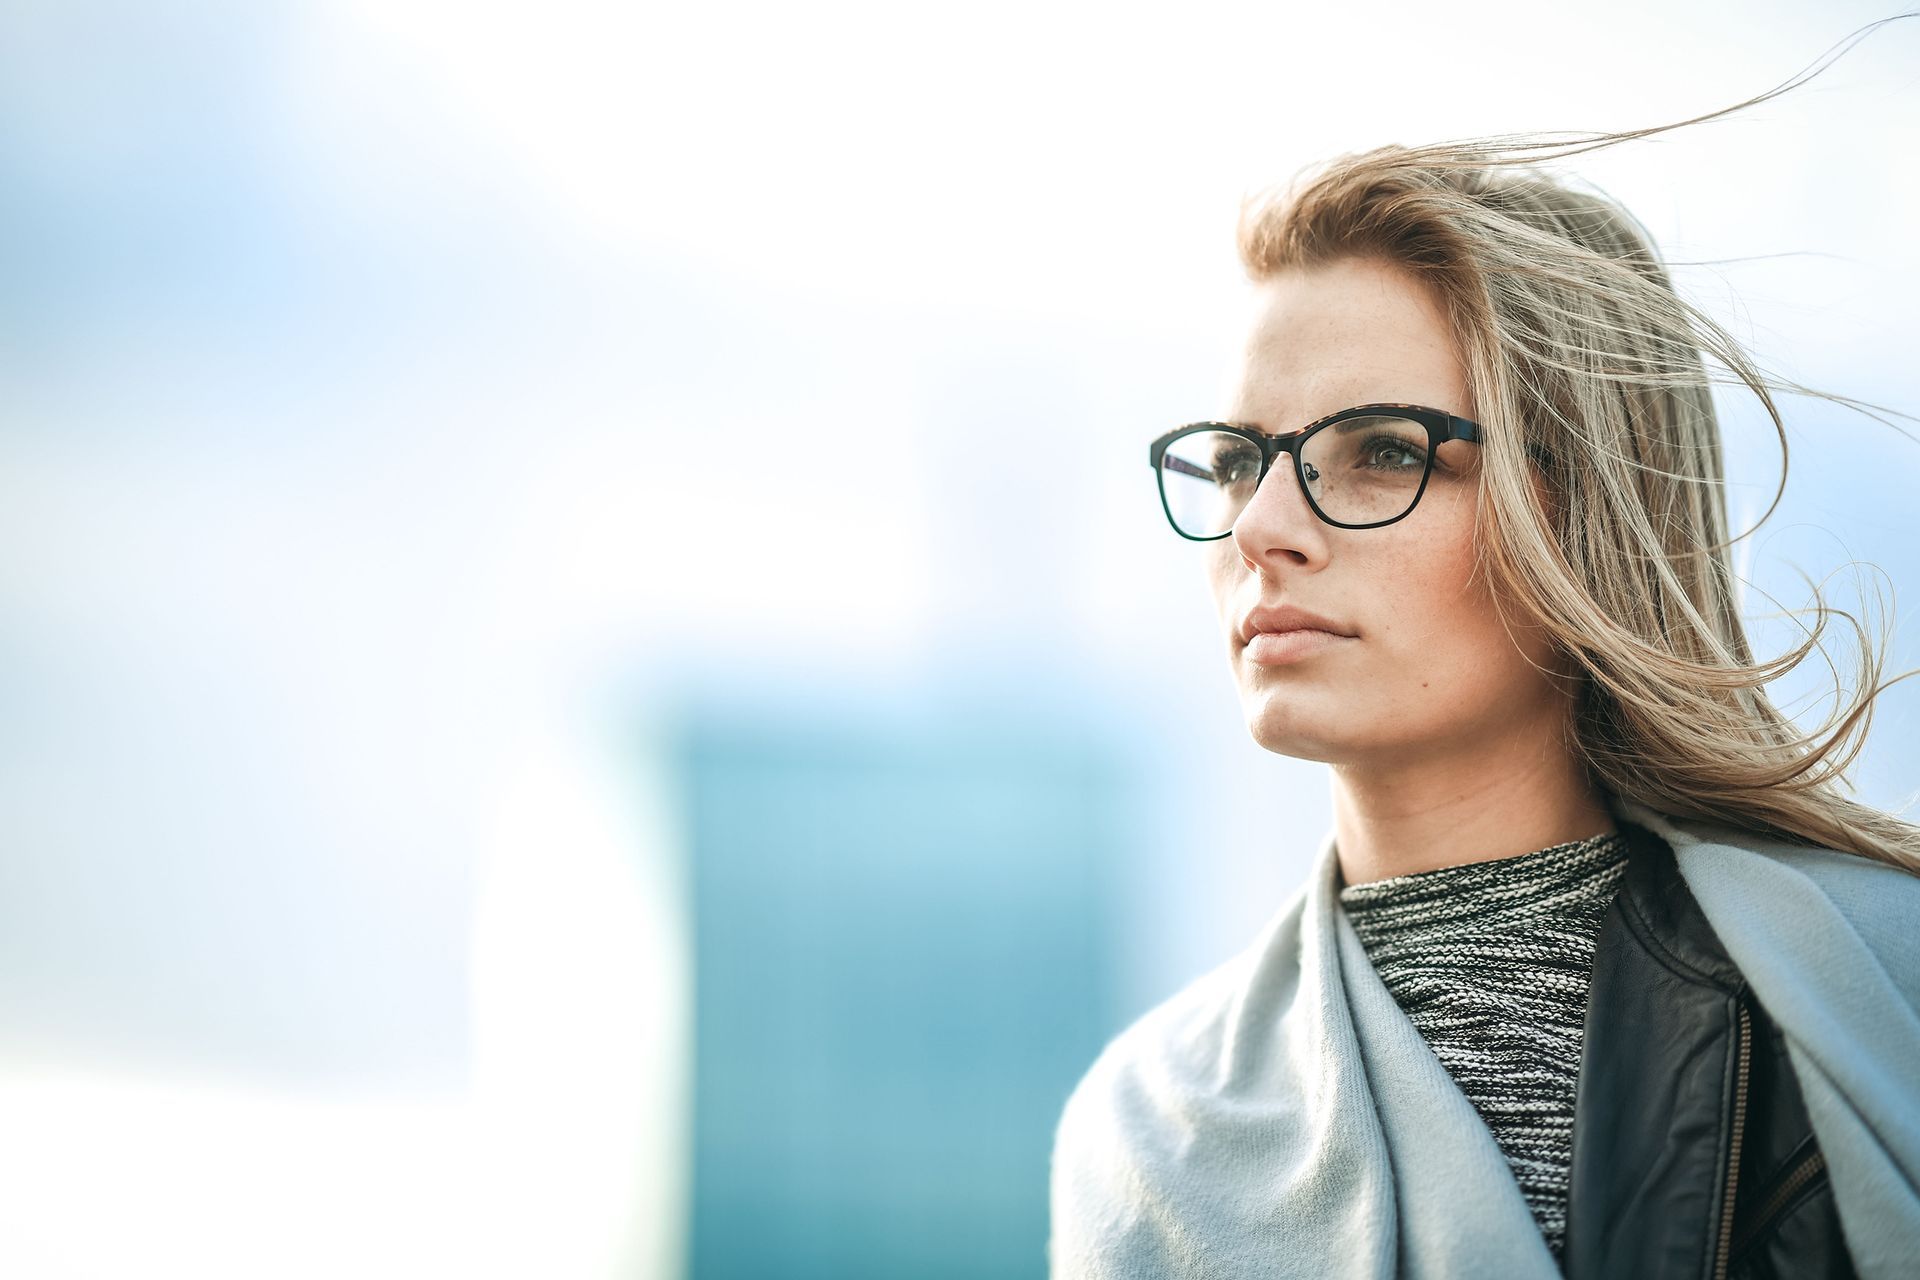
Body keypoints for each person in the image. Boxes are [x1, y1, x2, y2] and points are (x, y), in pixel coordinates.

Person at [1049, 18, 1920, 1280]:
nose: (1264, 527)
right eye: (1238, 460)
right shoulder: (1143, 1133)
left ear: (1584, 509)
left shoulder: (1892, 987)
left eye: (1385, 450)